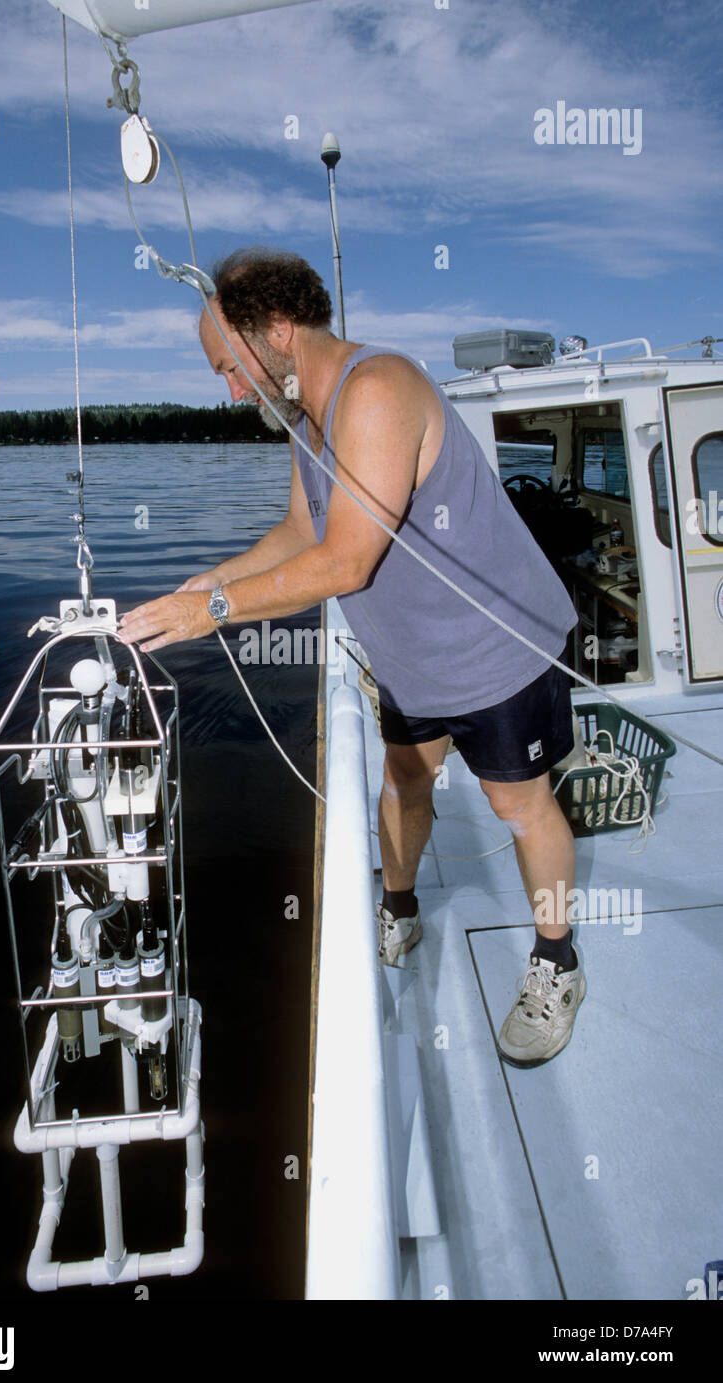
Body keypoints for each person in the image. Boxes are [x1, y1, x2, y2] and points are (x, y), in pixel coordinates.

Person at [117, 247, 585, 1068]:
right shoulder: (305, 419)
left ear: (279, 331)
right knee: (404, 781)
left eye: (231, 367)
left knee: (520, 808)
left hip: (495, 654)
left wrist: (213, 612)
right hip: (414, 659)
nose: (230, 391)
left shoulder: (376, 392)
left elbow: (344, 563)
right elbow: (303, 533)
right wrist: (214, 577)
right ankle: (398, 905)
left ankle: (557, 959)